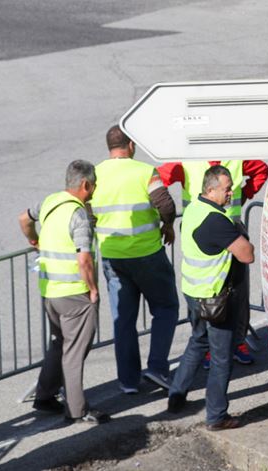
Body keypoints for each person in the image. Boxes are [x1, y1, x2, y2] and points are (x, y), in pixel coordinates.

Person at [18, 160, 110, 424]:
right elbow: (84, 260)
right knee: (75, 351)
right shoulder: (78, 215)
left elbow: (24, 218)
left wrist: (32, 239)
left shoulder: (50, 202)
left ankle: (45, 396)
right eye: (94, 185)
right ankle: (77, 409)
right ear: (85, 184)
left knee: (60, 344)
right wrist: (93, 290)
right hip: (74, 294)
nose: (94, 191)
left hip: (50, 292)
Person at [167, 165, 255, 431]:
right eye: (227, 189)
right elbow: (247, 254)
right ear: (211, 189)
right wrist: (239, 233)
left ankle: (176, 394)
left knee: (198, 341)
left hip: (194, 293)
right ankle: (216, 416)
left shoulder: (195, 208)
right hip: (215, 299)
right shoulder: (216, 221)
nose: (231, 193)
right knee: (221, 358)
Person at [158, 159, 268, 366]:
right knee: (204, 292)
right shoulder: (187, 160)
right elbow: (157, 180)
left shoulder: (233, 159)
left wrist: (244, 195)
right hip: (202, 232)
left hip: (230, 230)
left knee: (237, 293)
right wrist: (168, 215)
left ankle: (237, 342)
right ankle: (208, 347)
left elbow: (261, 169)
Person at [93, 125, 179, 394]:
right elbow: (165, 204)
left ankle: (128, 382)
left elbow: (86, 211)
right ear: (130, 145)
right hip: (147, 254)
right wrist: (167, 225)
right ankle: (156, 368)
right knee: (166, 308)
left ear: (109, 147)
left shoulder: (94, 174)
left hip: (112, 257)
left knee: (123, 320)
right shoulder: (144, 171)